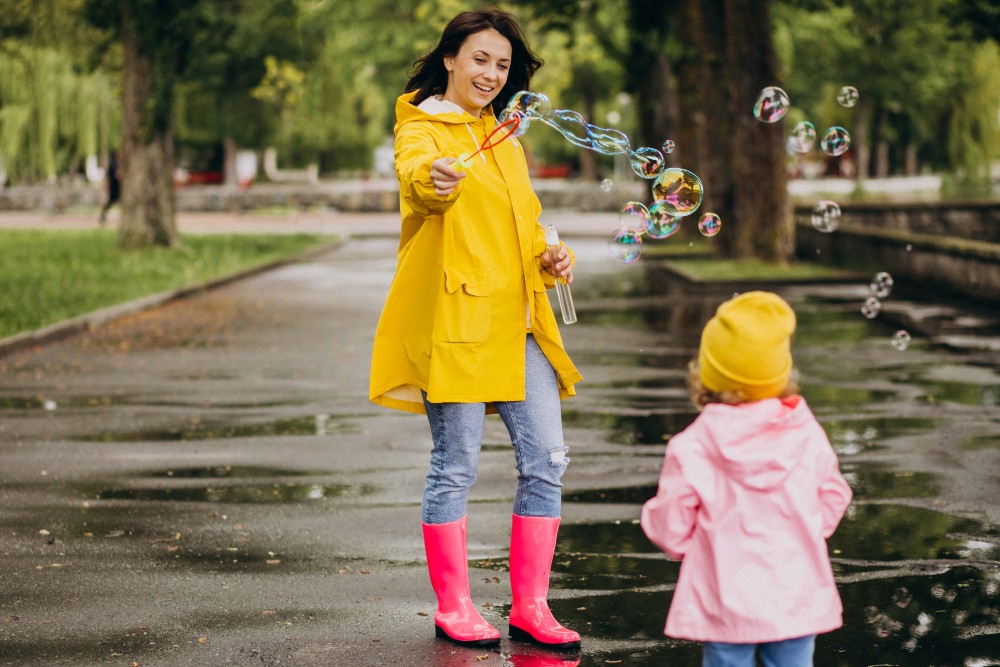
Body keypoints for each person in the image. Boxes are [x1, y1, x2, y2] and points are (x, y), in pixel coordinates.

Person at [368, 8, 583, 651]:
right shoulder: (423, 128)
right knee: (455, 464)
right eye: (480, 59)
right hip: (458, 320)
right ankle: (454, 606)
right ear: (450, 60)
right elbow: (419, 179)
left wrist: (552, 252)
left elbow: (525, 222)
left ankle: (531, 608)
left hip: (519, 322)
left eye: (502, 64)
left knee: (546, 460)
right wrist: (432, 180)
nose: (491, 73)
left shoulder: (504, 137)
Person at [640, 292, 853, 667]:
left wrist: (690, 544)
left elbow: (670, 524)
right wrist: (807, 530)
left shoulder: (693, 444)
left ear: (708, 373)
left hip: (724, 595)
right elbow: (835, 492)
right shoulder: (805, 430)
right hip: (796, 592)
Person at [99, 150, 120, 226]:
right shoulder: (113, 165)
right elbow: (109, 177)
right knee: (110, 202)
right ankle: (102, 216)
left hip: (118, 187)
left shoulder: (119, 164)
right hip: (114, 187)